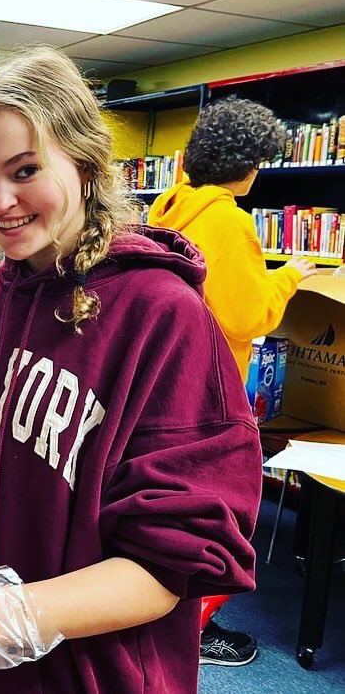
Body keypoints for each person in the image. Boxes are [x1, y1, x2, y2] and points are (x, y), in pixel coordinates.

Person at [0, 47, 262, 693]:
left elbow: (172, 560)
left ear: (84, 161)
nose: (0, 202)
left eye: (24, 170)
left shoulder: (161, 315)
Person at [148, 97, 316, 666]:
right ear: (248, 164)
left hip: (165, 381)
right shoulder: (233, 221)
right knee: (223, 519)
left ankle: (163, 619)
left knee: (172, 512)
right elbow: (248, 316)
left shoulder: (171, 206)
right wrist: (290, 275)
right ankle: (191, 631)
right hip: (212, 388)